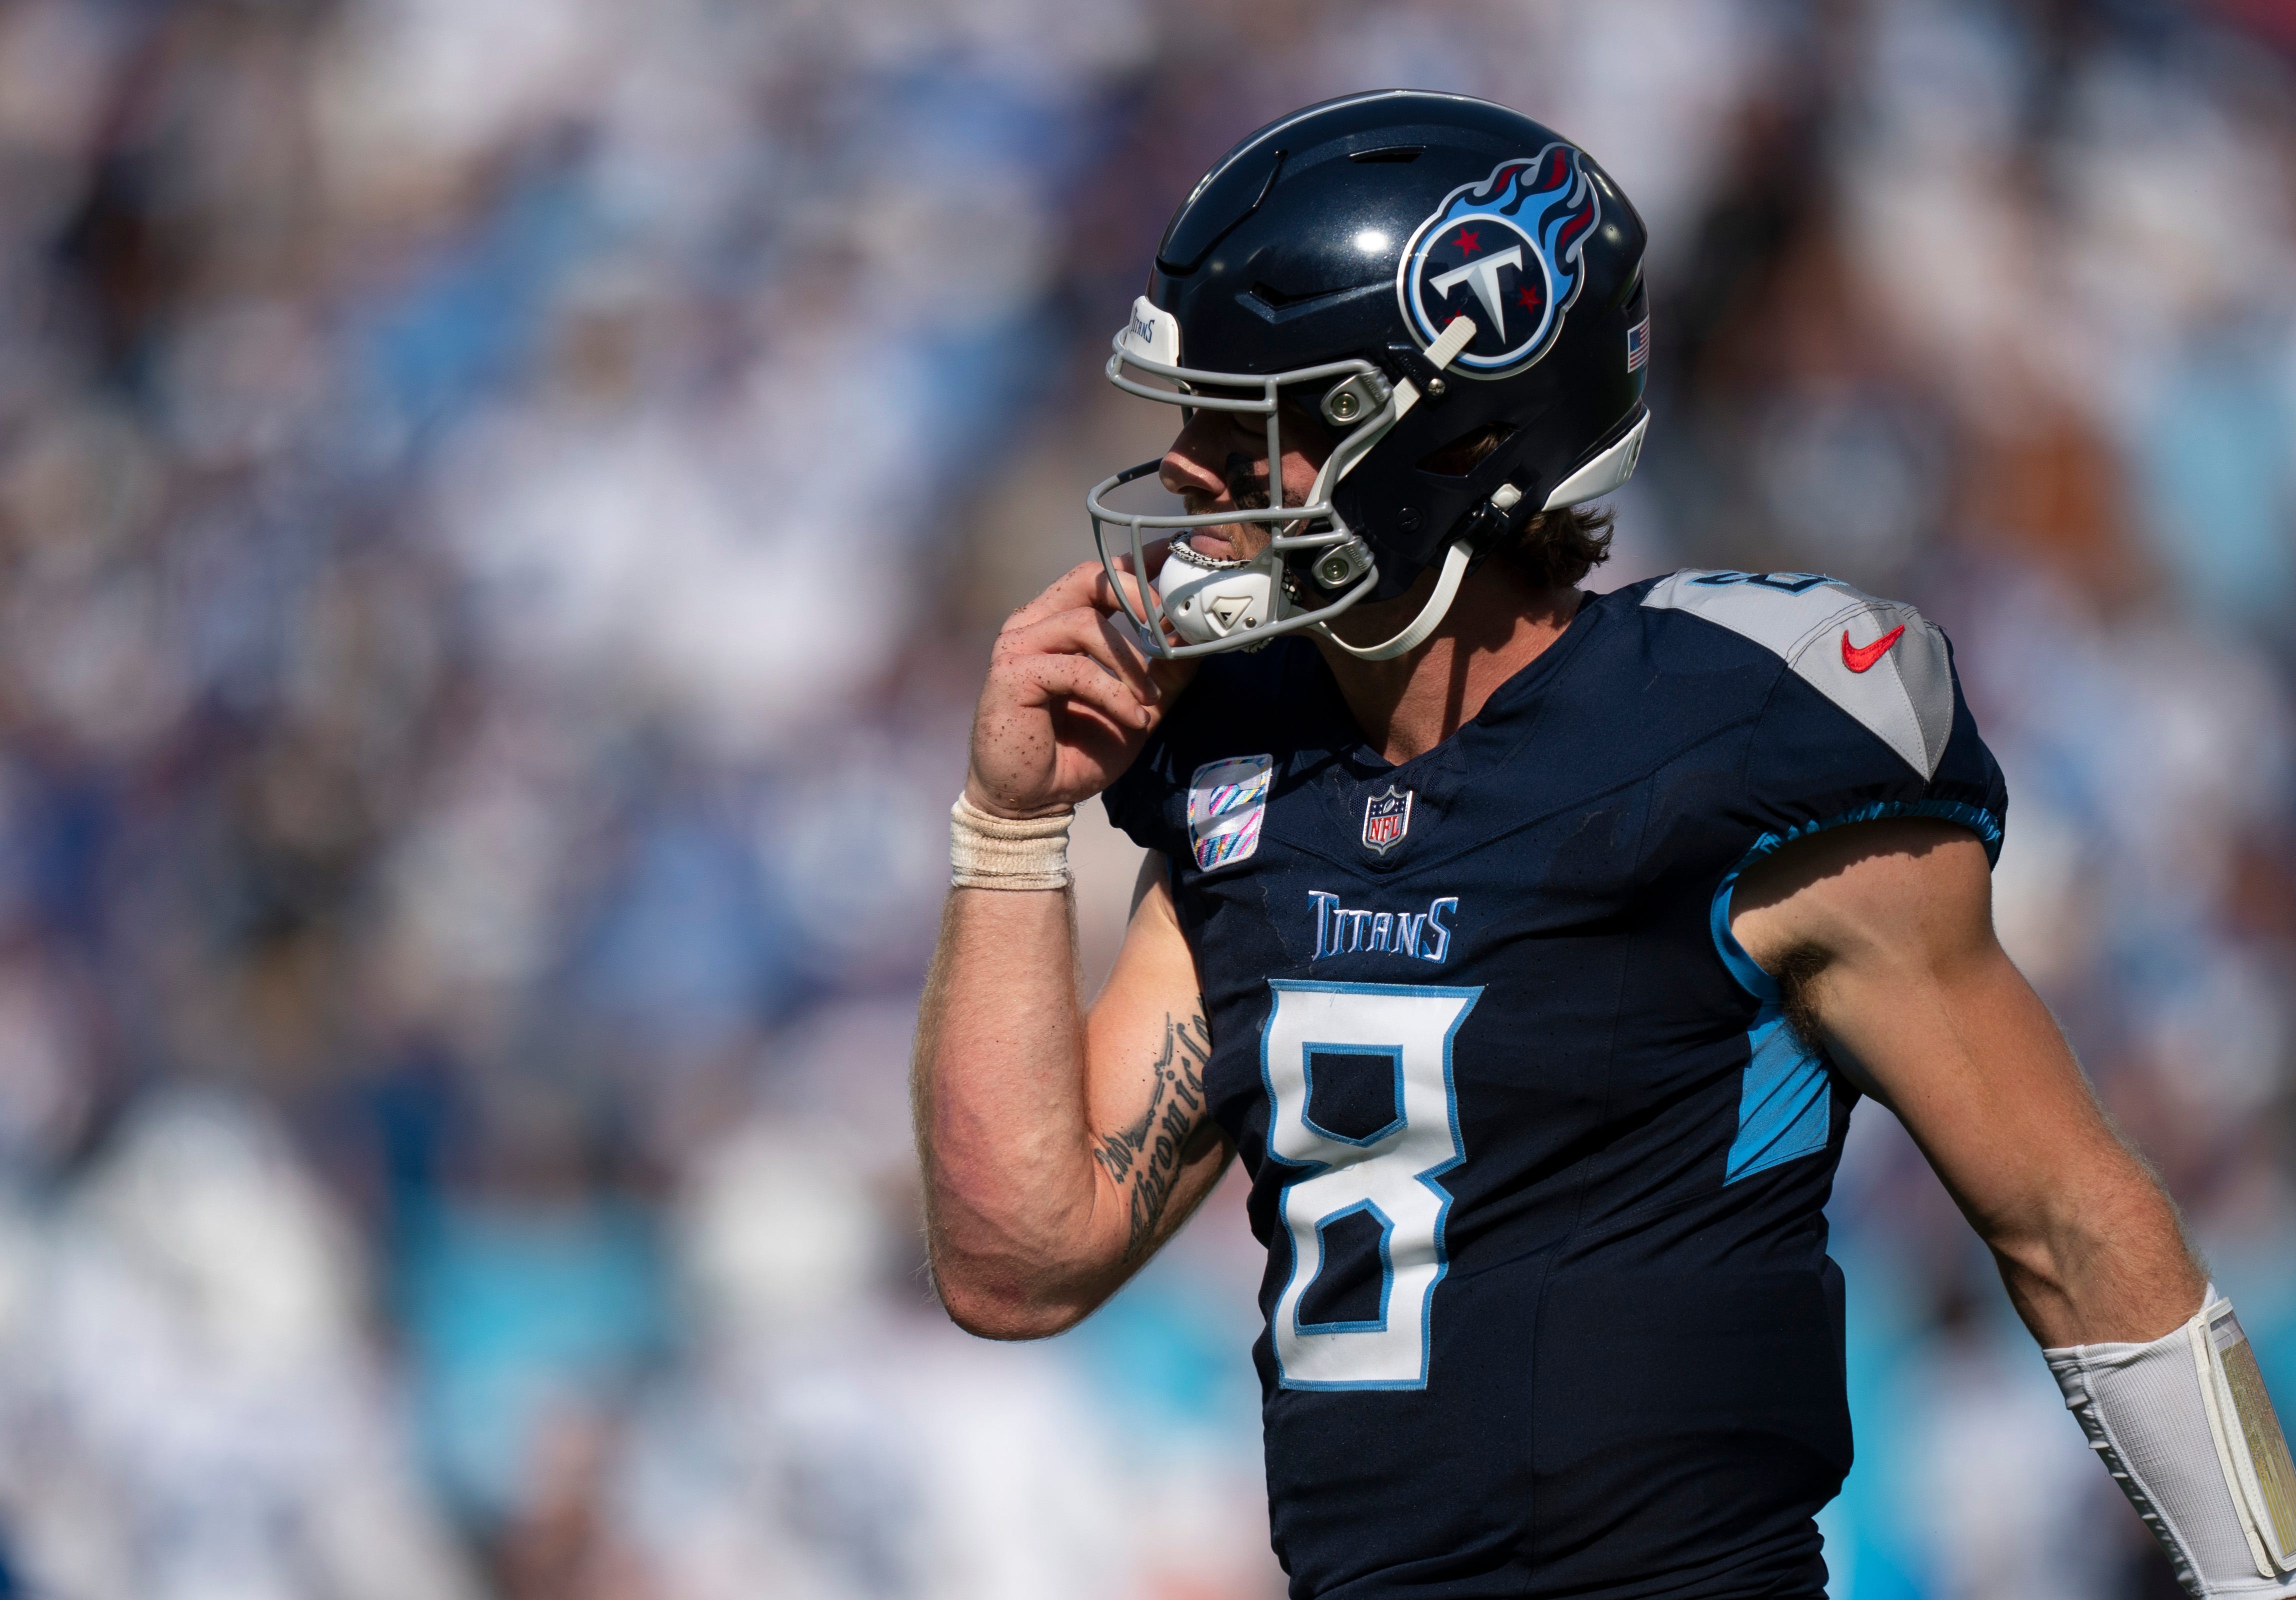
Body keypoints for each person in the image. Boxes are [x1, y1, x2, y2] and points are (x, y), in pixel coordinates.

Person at [913, 90, 2296, 1599]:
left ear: (1458, 439)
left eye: (1263, 420)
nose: (1189, 471)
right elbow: (1021, 1258)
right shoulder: (1251, 764)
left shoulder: (1737, 741)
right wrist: (1009, 832)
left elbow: (2069, 1226)